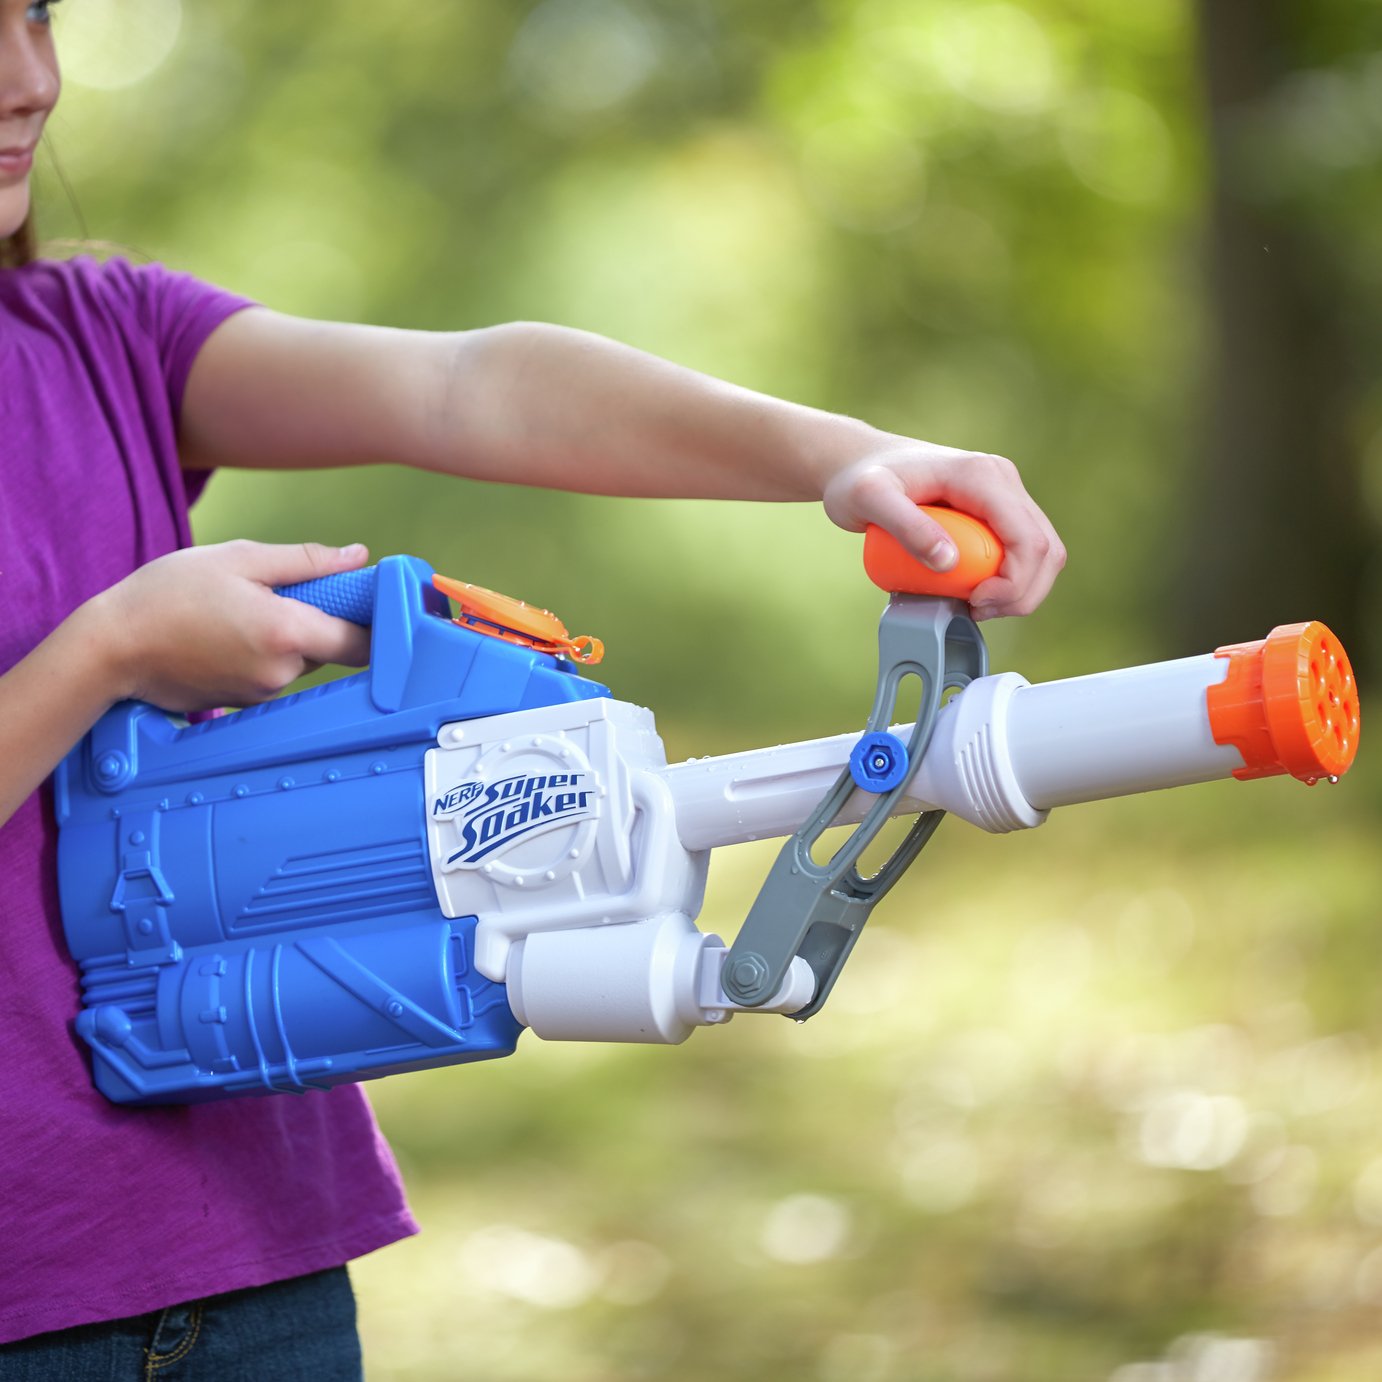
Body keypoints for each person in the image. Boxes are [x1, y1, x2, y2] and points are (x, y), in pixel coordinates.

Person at [0, 0, 1065, 1375]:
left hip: (251, 1262)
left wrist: (841, 455)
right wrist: (109, 652)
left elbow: (468, 387)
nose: (31, 78)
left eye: (35, 11)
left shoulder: (103, 337)